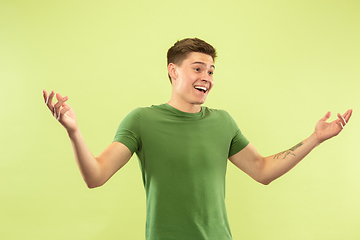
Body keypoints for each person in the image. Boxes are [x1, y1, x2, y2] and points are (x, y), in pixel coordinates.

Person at [43, 38, 352, 240]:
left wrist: (315, 138)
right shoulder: (142, 120)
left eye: (211, 71)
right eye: (198, 68)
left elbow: (262, 170)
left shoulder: (223, 122)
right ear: (173, 71)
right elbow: (95, 176)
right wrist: (74, 131)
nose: (207, 77)